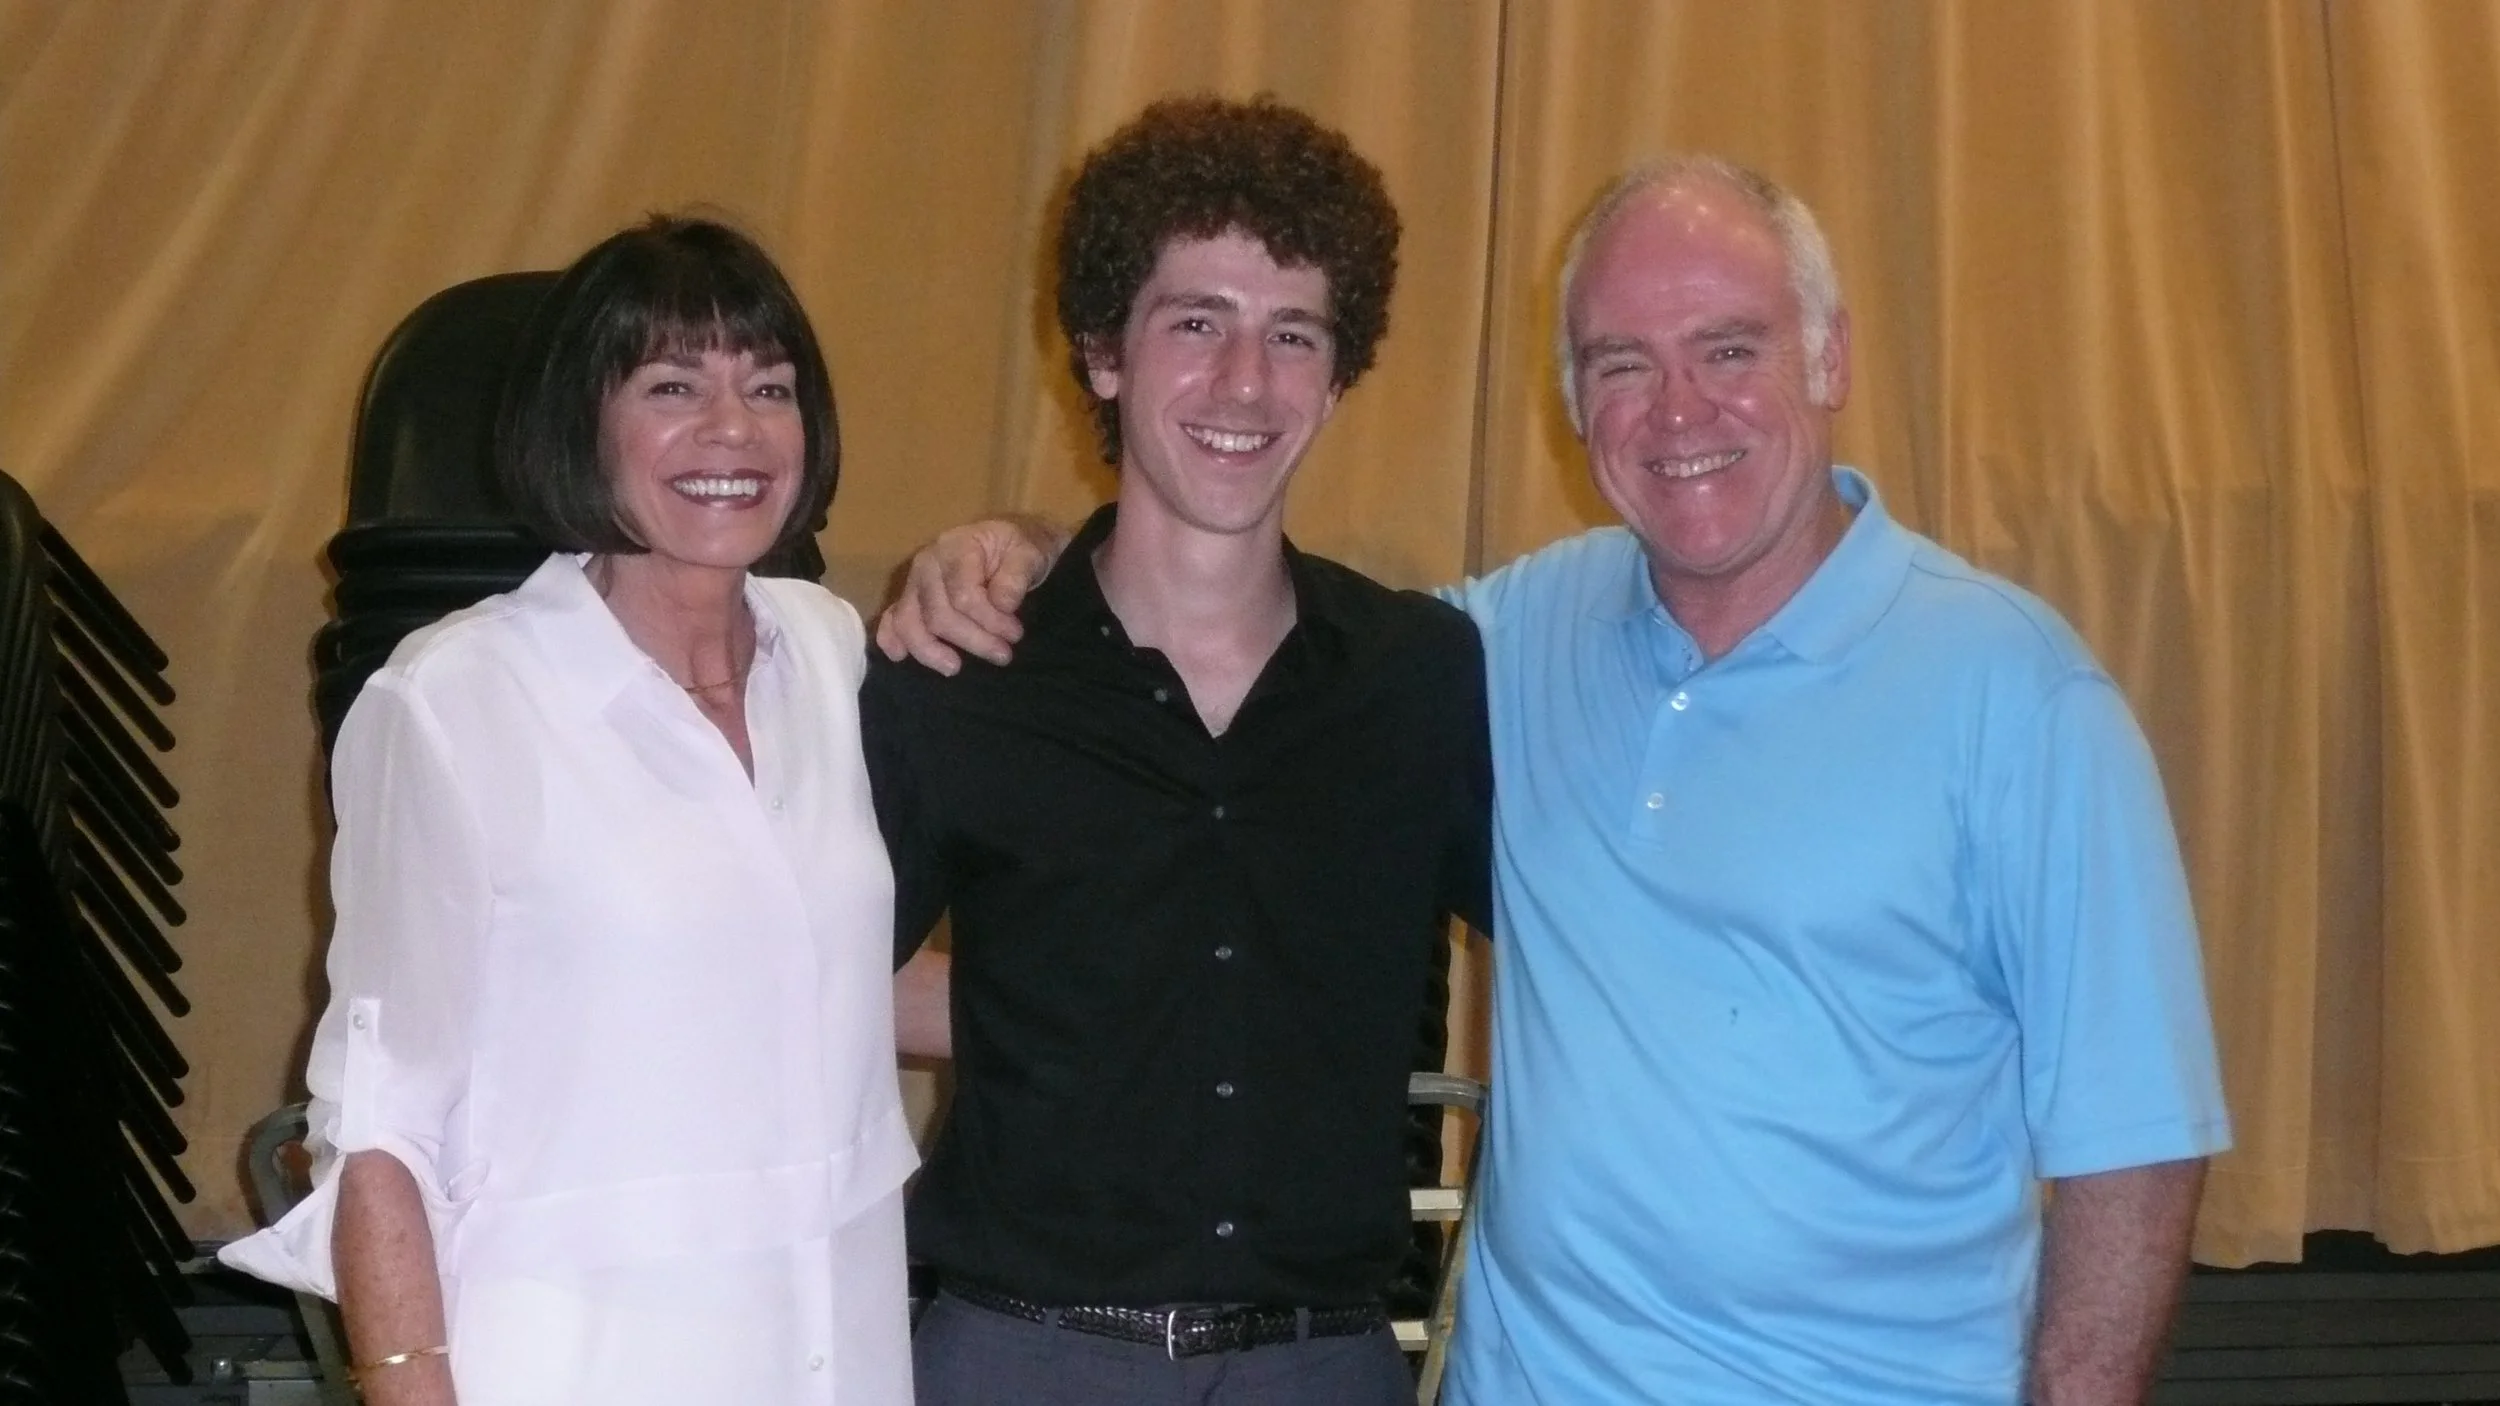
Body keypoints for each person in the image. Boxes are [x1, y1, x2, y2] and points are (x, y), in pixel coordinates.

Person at [879, 155, 2233, 1405]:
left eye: (1730, 348)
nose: (1681, 407)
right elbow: (1189, 710)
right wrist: (1020, 549)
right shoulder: (1491, 649)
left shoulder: (2017, 695)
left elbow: (2136, 1141)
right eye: (1623, 361)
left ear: (1828, 358)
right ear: (1575, 398)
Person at [220, 216, 918, 1406]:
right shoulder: (456, 698)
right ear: (581, 426)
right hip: (573, 1357)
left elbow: (810, 969)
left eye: (769, 385)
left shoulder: (830, 650)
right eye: (671, 384)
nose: (732, 429)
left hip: (834, 1345)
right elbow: (382, 1123)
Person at [864, 95, 1492, 1406]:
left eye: (1293, 334)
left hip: (1325, 1364)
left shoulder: (1424, 680)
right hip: (1014, 1356)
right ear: (1104, 350)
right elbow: (795, 985)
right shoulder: (963, 670)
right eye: (1196, 321)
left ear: (1337, 373)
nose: (1245, 382)